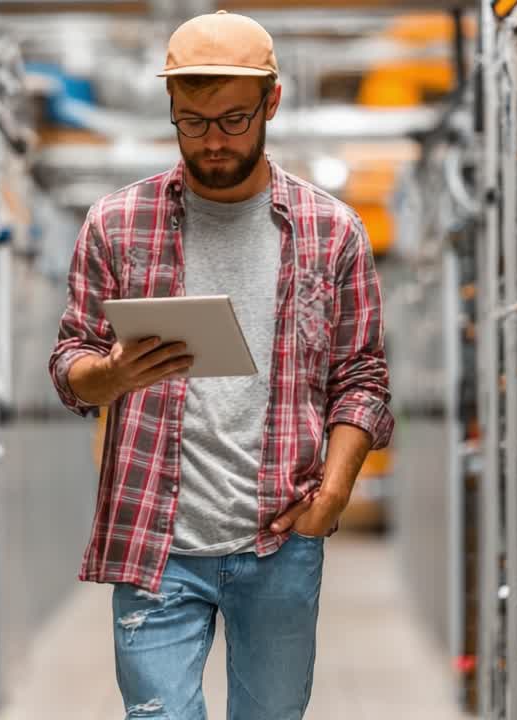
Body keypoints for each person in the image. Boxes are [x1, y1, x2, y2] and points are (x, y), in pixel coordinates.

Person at [48, 10, 393, 719]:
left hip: (280, 537)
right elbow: (69, 360)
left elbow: (361, 380)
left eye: (234, 120)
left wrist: (331, 495)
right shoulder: (116, 224)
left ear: (272, 101)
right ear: (171, 109)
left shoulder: (332, 232)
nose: (213, 141)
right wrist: (110, 376)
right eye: (193, 122)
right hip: (153, 539)